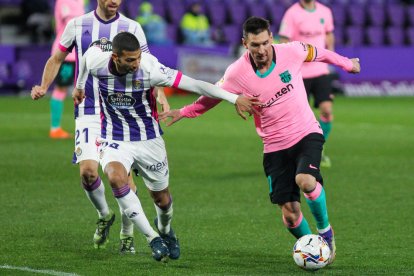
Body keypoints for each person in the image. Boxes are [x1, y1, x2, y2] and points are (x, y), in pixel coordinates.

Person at [160, 17, 361, 265]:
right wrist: (183, 112)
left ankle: (326, 234)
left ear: (272, 38)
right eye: (255, 45)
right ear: (245, 44)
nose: (262, 50)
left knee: (306, 180)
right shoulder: (236, 73)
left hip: (306, 132)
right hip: (274, 146)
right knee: (290, 214)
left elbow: (319, 53)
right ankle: (315, 248)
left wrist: (347, 64)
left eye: (266, 42)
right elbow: (213, 96)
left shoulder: (292, 51)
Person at [72, 32, 260, 261]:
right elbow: (84, 62)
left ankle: (165, 229)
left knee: (161, 199)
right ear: (115, 58)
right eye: (130, 60)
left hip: (149, 140)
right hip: (114, 137)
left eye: (138, 58)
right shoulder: (97, 61)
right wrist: (80, 86)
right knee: (114, 177)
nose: (136, 64)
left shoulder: (150, 68)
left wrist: (234, 98)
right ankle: (153, 238)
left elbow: (197, 85)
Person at [31, 0, 170, 255]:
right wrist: (43, 85)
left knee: (123, 176)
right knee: (88, 173)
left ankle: (127, 234)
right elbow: (57, 57)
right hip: (88, 110)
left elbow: (148, 65)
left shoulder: (132, 27)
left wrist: (160, 95)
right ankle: (104, 215)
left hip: (120, 111)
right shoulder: (77, 25)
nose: (114, 1)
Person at [278, 0, 336, 167]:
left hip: (321, 70)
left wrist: (330, 54)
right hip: (299, 73)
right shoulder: (291, 13)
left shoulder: (325, 11)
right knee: (298, 118)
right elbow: (283, 40)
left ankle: (318, 149)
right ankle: (293, 153)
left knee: (326, 110)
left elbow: (329, 33)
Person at [49, 0, 84, 139]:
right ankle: (55, 128)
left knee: (84, 90)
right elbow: (72, 22)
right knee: (61, 89)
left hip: (79, 52)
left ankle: (84, 128)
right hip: (66, 53)